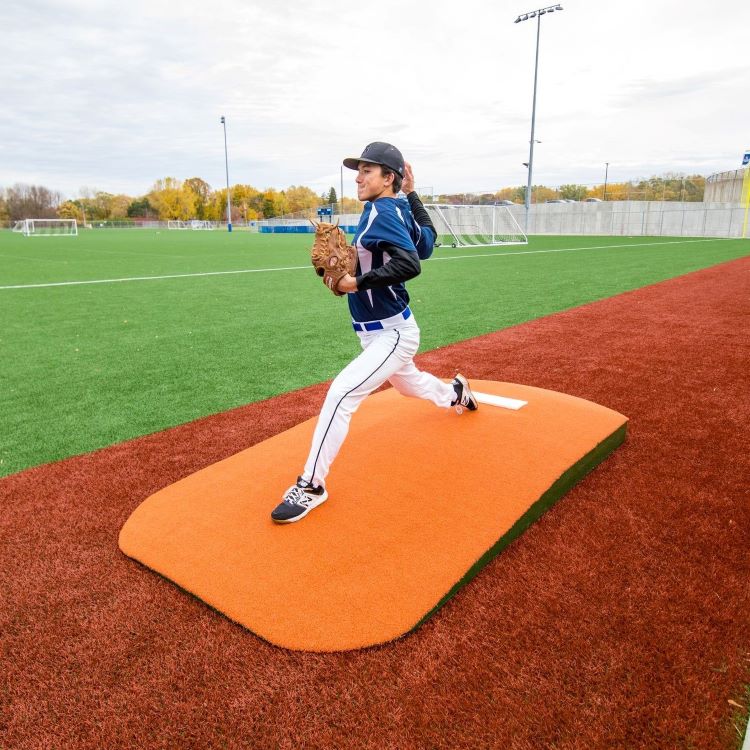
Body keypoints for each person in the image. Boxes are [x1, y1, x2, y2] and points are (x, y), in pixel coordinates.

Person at [271, 142, 478, 524]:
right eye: (359, 169)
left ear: (388, 178)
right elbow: (427, 244)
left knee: (342, 393)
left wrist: (355, 282)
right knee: (408, 384)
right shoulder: (397, 208)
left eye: (368, 170)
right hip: (380, 330)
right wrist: (412, 195)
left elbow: (411, 263)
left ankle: (311, 485)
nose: (358, 176)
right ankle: (455, 393)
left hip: (393, 333)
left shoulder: (381, 212)